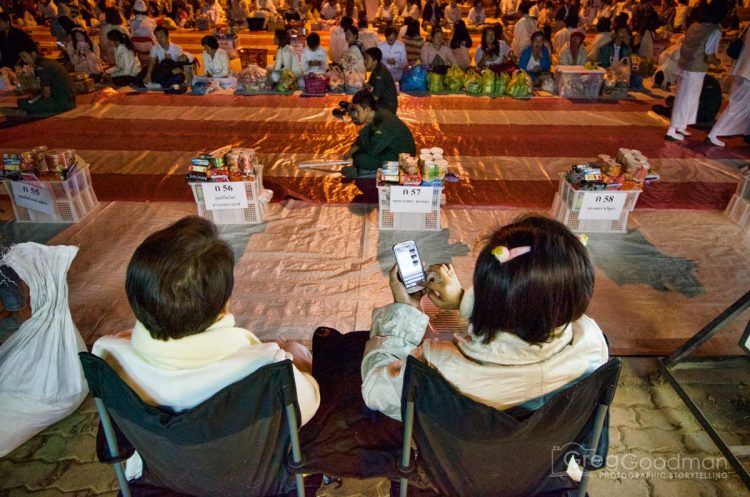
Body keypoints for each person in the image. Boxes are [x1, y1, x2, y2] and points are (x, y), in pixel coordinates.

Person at [92, 216, 320, 481]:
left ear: (135, 296)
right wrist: (298, 361)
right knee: (297, 353)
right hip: (252, 480)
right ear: (225, 303)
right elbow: (308, 406)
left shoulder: (108, 354)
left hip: (164, 475)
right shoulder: (267, 368)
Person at [361, 215, 609, 421]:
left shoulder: (439, 369)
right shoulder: (591, 343)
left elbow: (375, 389)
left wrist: (406, 311)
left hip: (458, 470)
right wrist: (462, 300)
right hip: (541, 464)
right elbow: (528, 318)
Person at [665, 0, 725, 141]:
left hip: (685, 65)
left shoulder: (695, 25)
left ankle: (681, 126)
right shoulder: (714, 31)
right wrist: (718, 62)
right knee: (686, 100)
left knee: (687, 98)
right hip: (696, 69)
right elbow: (710, 57)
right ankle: (672, 129)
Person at [342, 89, 416, 178]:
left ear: (367, 110)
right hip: (389, 148)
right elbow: (371, 136)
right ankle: (365, 170)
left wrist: (362, 133)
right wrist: (354, 147)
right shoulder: (377, 113)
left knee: (361, 159)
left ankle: (364, 172)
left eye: (357, 111)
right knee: (357, 152)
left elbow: (373, 150)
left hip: (402, 157)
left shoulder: (383, 123)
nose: (354, 115)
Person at [705, 24, 749, 146]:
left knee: (740, 105)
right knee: (737, 106)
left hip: (742, 69)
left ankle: (746, 133)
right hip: (747, 74)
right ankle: (713, 133)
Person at [14, 43, 76, 116]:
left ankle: (33, 112)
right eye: (22, 58)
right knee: (30, 100)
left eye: (25, 56)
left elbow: (47, 94)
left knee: (22, 102)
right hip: (70, 100)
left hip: (63, 103)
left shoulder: (42, 67)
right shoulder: (48, 62)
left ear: (33, 54)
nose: (24, 60)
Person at [364, 47, 398, 113]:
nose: (364, 62)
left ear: (375, 61)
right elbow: (368, 85)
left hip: (387, 107)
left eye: (367, 60)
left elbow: (375, 97)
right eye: (364, 59)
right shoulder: (375, 68)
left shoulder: (380, 74)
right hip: (382, 103)